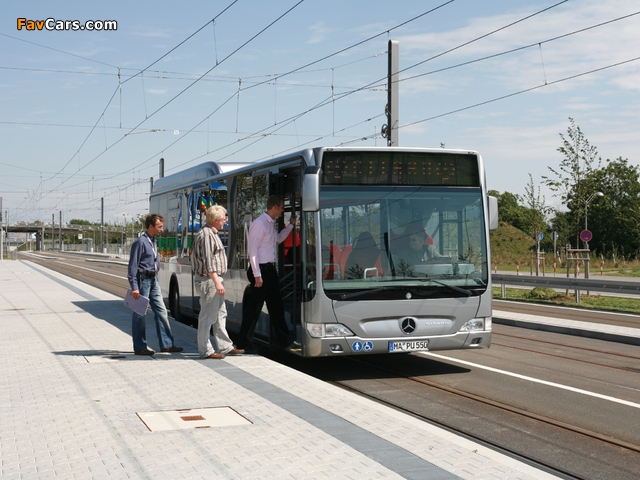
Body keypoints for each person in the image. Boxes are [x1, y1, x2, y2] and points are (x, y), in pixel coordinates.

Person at [239, 195, 295, 349]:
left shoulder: (270, 224)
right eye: (282, 207)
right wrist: (257, 275)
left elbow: (277, 239)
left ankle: (284, 339)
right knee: (254, 308)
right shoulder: (259, 224)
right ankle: (244, 342)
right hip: (261, 270)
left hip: (269, 269)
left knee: (276, 305)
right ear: (275, 207)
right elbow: (253, 251)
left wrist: (290, 226)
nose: (283, 210)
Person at [192, 205, 244, 359]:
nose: (225, 221)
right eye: (223, 219)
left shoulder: (211, 233)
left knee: (220, 314)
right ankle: (205, 350)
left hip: (213, 279)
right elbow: (208, 262)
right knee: (207, 316)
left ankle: (225, 346)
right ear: (215, 220)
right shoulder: (207, 235)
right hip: (209, 280)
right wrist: (217, 282)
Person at [127, 213, 183, 355]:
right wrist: (134, 287)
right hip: (143, 280)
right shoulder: (140, 242)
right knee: (140, 314)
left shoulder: (153, 241)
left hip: (153, 280)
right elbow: (132, 266)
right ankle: (140, 347)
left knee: (162, 311)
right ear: (150, 226)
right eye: (159, 226)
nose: (161, 229)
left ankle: (167, 345)